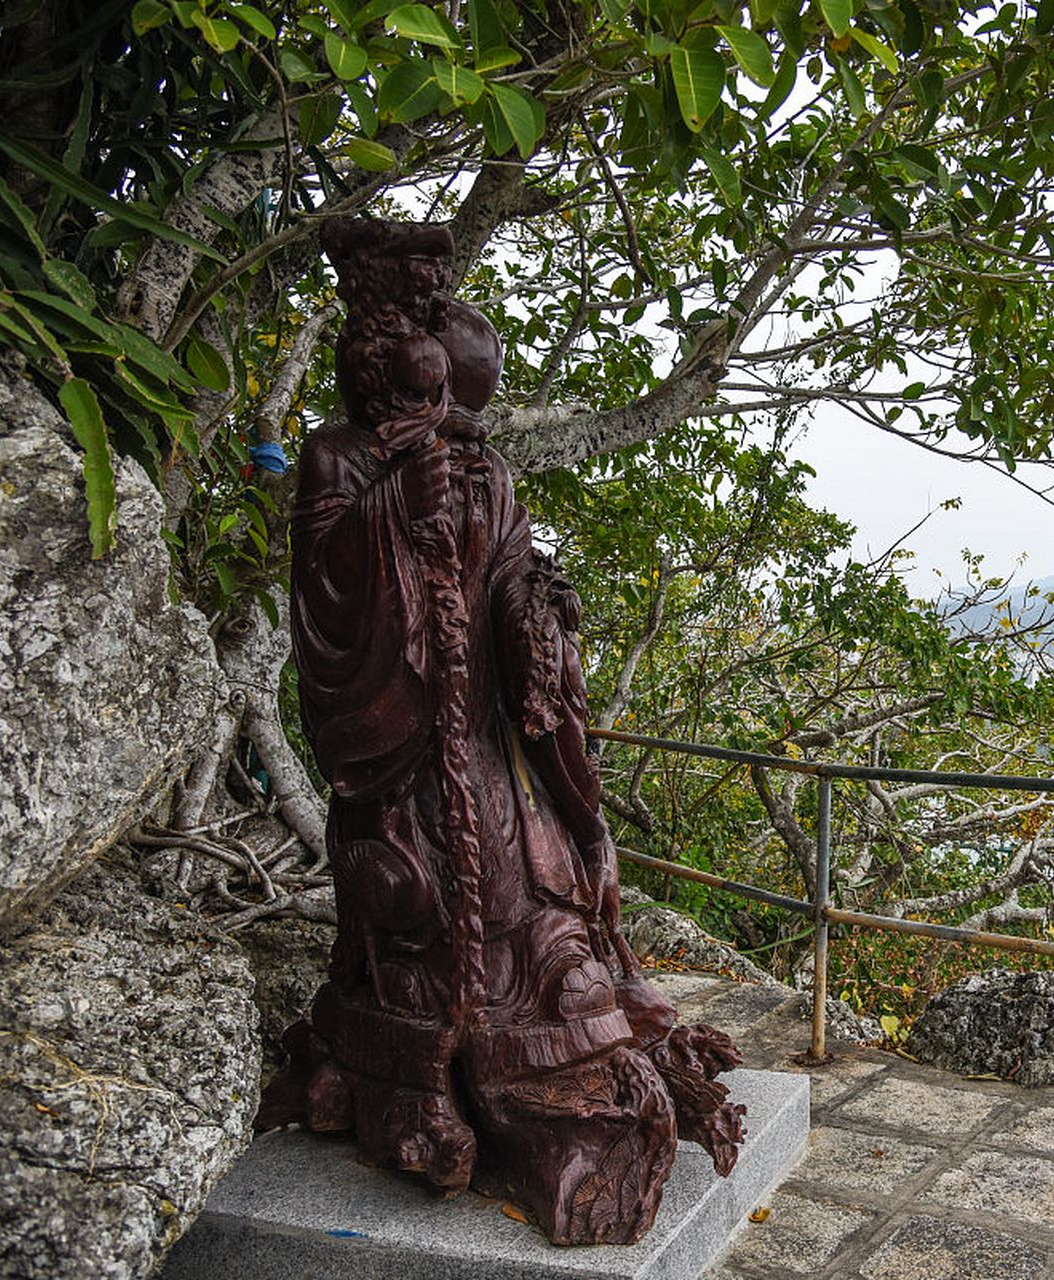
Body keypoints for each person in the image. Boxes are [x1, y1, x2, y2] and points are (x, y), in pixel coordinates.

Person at [258, 217, 742, 1246]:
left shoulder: (485, 472)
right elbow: (324, 601)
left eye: (460, 409)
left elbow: (511, 573)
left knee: (556, 880)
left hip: (488, 740)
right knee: (440, 899)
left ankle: (574, 1036)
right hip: (405, 753)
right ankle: (442, 1075)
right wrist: (393, 514)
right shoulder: (337, 459)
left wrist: (535, 608)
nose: (451, 425)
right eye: (430, 399)